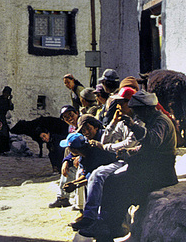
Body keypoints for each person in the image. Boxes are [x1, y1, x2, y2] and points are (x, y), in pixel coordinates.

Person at [80, 90, 178, 239]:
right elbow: (146, 147)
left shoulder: (161, 121)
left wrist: (133, 126)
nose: (137, 115)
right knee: (113, 181)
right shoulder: (152, 120)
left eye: (138, 111)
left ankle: (110, 226)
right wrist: (130, 152)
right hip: (152, 170)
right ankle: (109, 225)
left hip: (161, 174)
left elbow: (153, 141)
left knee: (119, 185)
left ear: (146, 109)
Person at [49, 105, 84, 211]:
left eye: (70, 115)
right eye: (65, 117)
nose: (69, 118)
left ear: (77, 113)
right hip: (77, 155)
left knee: (71, 169)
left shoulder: (82, 125)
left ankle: (72, 201)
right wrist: (66, 160)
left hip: (86, 155)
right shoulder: (72, 128)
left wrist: (70, 159)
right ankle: (63, 197)